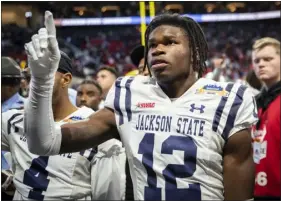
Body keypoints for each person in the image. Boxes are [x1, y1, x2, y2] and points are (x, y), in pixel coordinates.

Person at [25, 11, 258, 200]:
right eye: (152, 44)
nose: (157, 49)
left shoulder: (229, 99)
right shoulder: (128, 93)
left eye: (170, 42)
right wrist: (41, 81)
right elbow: (44, 142)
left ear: (195, 53)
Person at [2, 52, 97, 200]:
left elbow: (107, 191)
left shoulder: (93, 126)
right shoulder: (13, 120)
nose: (33, 84)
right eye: (28, 77)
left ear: (65, 80)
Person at [76, 79, 129, 200]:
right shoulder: (67, 126)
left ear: (100, 99)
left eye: (90, 94)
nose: (83, 98)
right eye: (80, 94)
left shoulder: (110, 130)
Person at [251, 37, 280, 200]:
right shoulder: (255, 103)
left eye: (268, 59)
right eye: (257, 60)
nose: (261, 64)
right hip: (255, 192)